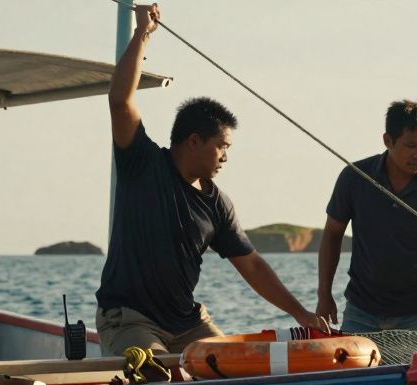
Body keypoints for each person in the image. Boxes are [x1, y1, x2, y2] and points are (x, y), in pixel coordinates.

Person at [96, 3, 326, 357]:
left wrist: (301, 314)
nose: (225, 157)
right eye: (221, 147)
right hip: (129, 321)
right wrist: (143, 32)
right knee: (157, 375)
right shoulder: (142, 163)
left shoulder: (218, 204)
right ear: (194, 141)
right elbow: (119, 100)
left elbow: (252, 265)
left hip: (187, 323)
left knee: (235, 369)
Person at [315, 99, 417, 344]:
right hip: (360, 310)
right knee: (356, 381)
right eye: (411, 146)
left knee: (415, 380)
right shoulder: (355, 178)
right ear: (388, 140)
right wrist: (324, 295)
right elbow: (332, 235)